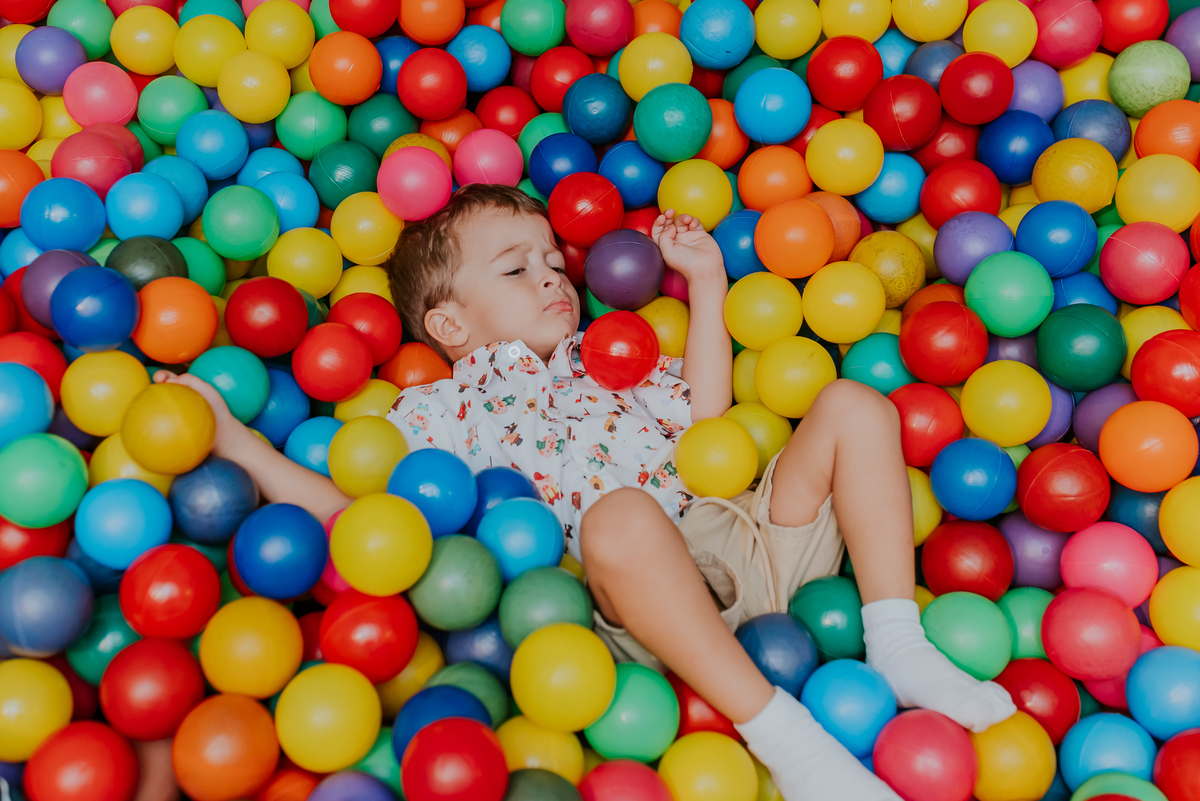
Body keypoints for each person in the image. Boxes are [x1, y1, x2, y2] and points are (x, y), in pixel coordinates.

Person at [159, 184, 1015, 800]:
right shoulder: (435, 411)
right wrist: (235, 439)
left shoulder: (611, 357)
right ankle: (792, 742)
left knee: (855, 405)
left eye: (551, 260)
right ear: (450, 326)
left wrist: (708, 284)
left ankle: (896, 641)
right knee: (619, 515)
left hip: (742, 535)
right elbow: (357, 519)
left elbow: (707, 427)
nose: (551, 276)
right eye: (515, 269)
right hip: (637, 600)